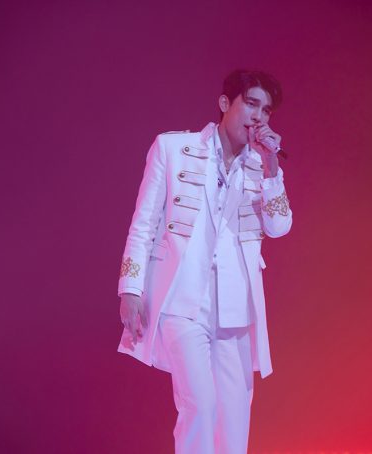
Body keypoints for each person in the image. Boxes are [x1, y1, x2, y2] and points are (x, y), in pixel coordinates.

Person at [117, 69, 292, 454]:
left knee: (234, 418)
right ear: (225, 103)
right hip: (181, 302)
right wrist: (131, 289)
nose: (258, 116)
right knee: (201, 406)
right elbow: (144, 223)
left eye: (266, 110)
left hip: (234, 308)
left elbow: (279, 227)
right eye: (251, 104)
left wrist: (272, 169)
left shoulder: (259, 166)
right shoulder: (172, 148)